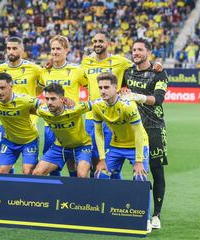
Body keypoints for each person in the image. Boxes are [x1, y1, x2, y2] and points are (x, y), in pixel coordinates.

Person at [81, 31, 162, 178]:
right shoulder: (86, 62)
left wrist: (156, 64)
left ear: (108, 44)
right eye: (94, 41)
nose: (97, 44)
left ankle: (115, 191)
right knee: (95, 157)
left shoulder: (120, 61)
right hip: (92, 115)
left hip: (114, 114)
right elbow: (78, 78)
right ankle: (101, 193)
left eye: (100, 41)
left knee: (113, 159)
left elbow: (139, 65)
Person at [92, 72, 151, 233]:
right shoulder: (97, 105)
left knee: (140, 178)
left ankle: (145, 219)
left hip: (137, 146)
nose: (102, 91)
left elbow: (139, 133)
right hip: (116, 146)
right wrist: (102, 158)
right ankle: (109, 210)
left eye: (106, 87)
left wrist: (139, 161)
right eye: (100, 88)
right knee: (100, 174)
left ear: (115, 88)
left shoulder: (128, 105)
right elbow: (98, 133)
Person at [123, 38, 169, 230]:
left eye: (140, 50)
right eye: (134, 50)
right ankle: (137, 211)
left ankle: (156, 214)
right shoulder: (128, 72)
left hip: (154, 128)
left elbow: (158, 99)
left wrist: (138, 97)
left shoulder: (159, 73)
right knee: (137, 170)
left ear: (148, 52)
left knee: (156, 170)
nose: (136, 53)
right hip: (132, 128)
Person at [38, 35, 88, 177]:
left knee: (73, 162)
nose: (54, 52)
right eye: (52, 48)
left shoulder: (77, 70)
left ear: (66, 50)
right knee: (53, 166)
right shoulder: (44, 72)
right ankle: (55, 196)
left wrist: (77, 105)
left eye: (58, 48)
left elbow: (90, 88)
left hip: (72, 123)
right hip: (51, 124)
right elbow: (37, 90)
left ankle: (72, 194)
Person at [0, 37, 42, 174]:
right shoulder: (1, 68)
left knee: (28, 170)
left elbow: (43, 86)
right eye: (8, 48)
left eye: (14, 48)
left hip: (28, 123)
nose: (11, 51)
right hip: (7, 122)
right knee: (4, 168)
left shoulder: (34, 69)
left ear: (22, 50)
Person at [0, 73, 41, 175]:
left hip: (29, 140)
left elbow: (42, 104)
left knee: (28, 172)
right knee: (1, 172)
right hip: (9, 141)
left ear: (11, 87)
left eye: (2, 88)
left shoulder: (24, 100)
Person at [33, 83, 92, 178]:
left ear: (62, 99)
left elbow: (97, 103)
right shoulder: (43, 111)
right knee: (37, 173)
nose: (49, 102)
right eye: (47, 99)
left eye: (53, 99)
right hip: (60, 147)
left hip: (82, 146)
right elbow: (31, 106)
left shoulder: (75, 109)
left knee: (82, 176)